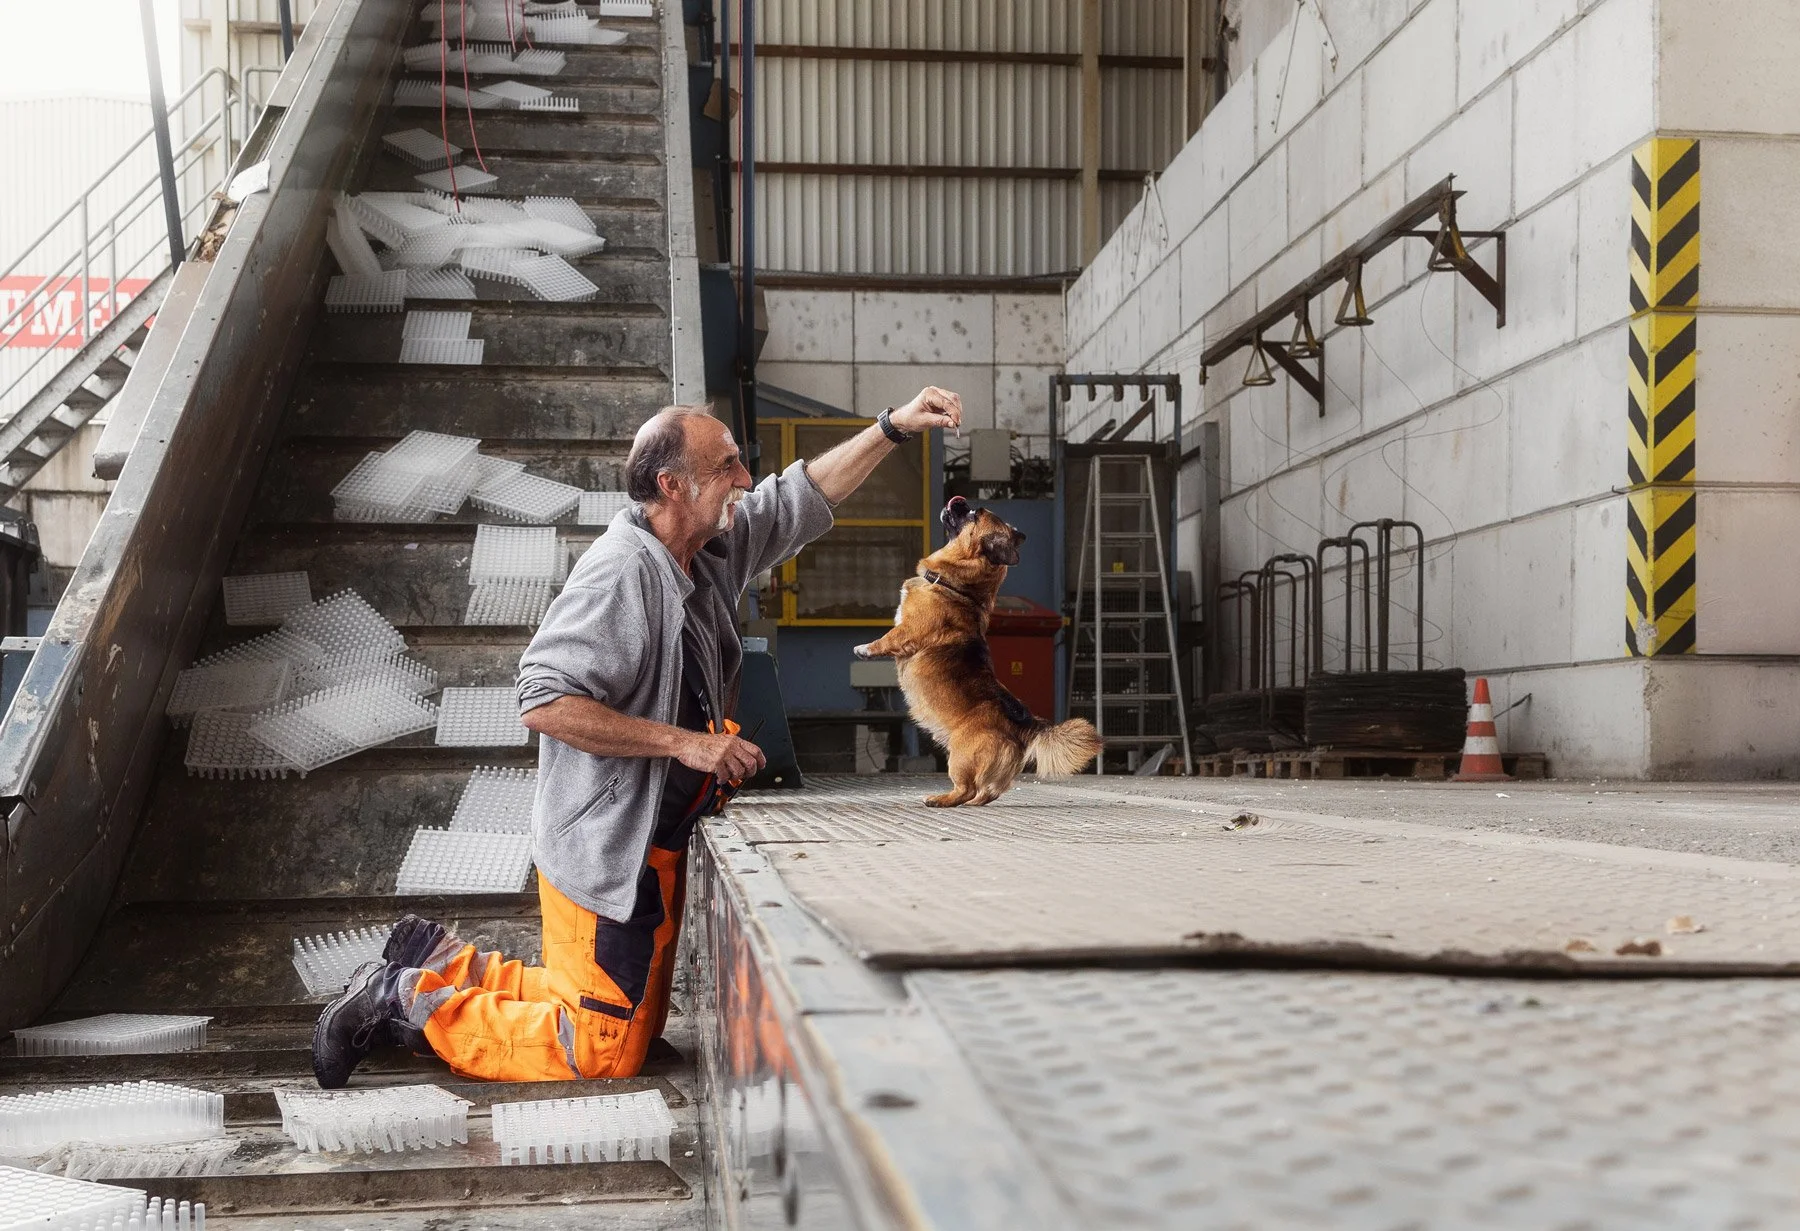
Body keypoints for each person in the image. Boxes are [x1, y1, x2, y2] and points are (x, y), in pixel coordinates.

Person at [311, 388, 964, 1086]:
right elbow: (541, 697)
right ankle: (401, 997)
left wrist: (891, 428)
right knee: (598, 1046)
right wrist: (687, 743)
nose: (745, 480)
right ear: (672, 485)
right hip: (607, 845)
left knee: (624, 1023)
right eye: (729, 467)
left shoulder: (707, 550)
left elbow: (797, 499)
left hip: (655, 844)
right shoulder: (621, 570)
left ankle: (437, 963)